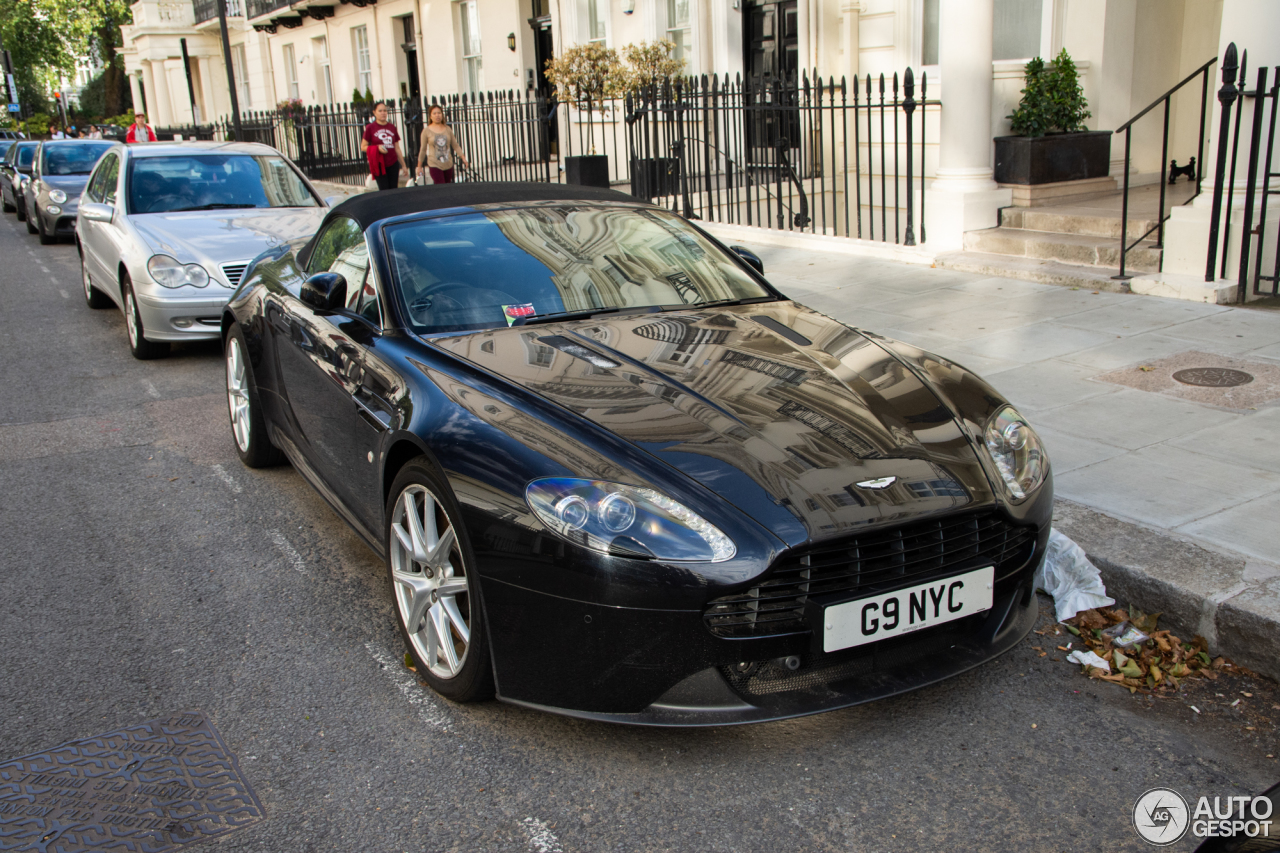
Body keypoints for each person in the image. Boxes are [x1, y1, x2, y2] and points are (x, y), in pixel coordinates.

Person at [360, 101, 409, 191]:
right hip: (379, 164)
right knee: (384, 190)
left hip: (393, 163)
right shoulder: (370, 128)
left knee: (394, 189)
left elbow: (397, 148)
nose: (383, 113)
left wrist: (404, 165)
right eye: (380, 111)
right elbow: (363, 147)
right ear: (374, 112)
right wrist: (377, 148)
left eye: (385, 111)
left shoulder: (392, 127)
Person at [416, 104, 470, 185]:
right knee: (441, 185)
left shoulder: (447, 129)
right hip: (434, 164)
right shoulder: (426, 131)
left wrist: (463, 157)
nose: (437, 115)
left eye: (439, 113)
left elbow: (455, 145)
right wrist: (419, 166)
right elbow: (423, 149)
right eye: (434, 113)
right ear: (430, 116)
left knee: (447, 187)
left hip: (448, 164)